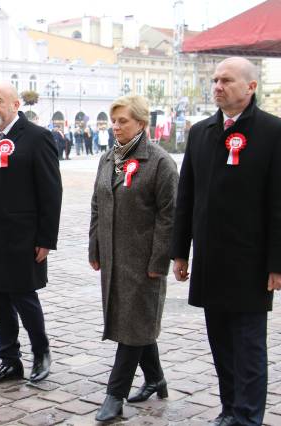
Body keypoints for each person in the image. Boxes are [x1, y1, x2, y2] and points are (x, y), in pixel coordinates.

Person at [171, 57, 281, 426]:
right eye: (215, 79)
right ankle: (229, 410)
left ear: (251, 87)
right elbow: (186, 195)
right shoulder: (201, 131)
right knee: (221, 345)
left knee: (248, 347)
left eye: (227, 80)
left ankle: (248, 417)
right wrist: (180, 251)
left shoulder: (276, 132)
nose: (217, 86)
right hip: (210, 260)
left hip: (251, 262)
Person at [89, 95, 179, 422]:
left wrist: (159, 262)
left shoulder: (159, 162)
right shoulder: (107, 159)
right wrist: (94, 247)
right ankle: (155, 378)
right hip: (114, 258)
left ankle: (115, 395)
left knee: (133, 325)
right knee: (133, 322)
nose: (115, 127)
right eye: (113, 121)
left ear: (141, 123)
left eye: (122, 121)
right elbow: (97, 205)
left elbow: (170, 216)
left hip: (143, 262)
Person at [0, 83, 62, 384]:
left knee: (24, 297)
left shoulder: (37, 137)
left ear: (15, 104)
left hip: (22, 236)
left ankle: (41, 352)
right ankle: (9, 360)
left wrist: (46, 239)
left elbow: (51, 191)